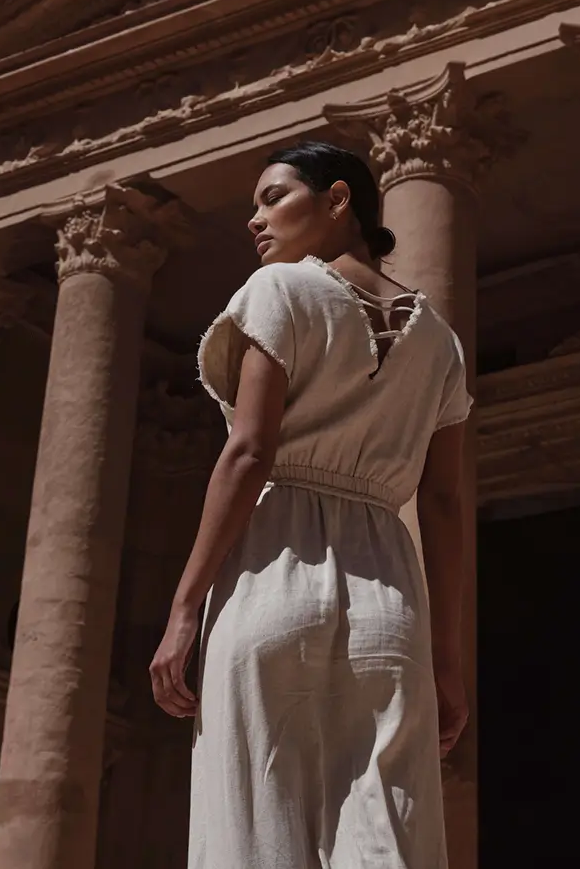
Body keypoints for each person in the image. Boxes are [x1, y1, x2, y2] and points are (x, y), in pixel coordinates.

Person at [150, 139, 471, 869]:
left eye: (273, 197)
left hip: (274, 572)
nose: (256, 221)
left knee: (256, 828)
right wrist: (446, 659)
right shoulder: (442, 345)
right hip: (390, 591)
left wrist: (184, 608)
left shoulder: (281, 290)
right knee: (388, 838)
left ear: (338, 201)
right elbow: (446, 503)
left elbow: (249, 453)